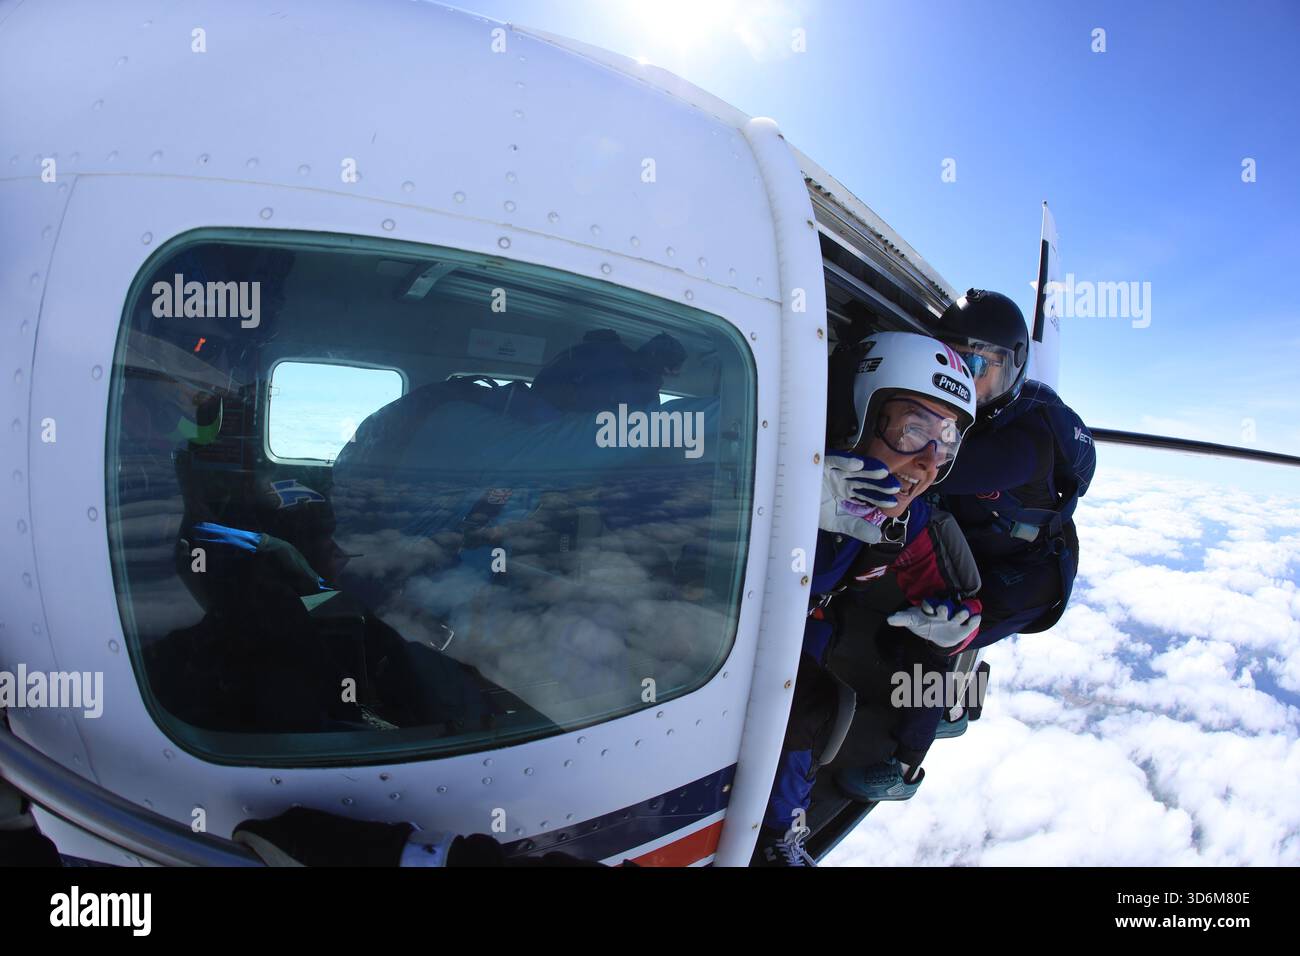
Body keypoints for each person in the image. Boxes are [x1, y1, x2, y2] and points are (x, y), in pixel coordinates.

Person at [836, 289, 1094, 802]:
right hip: (989, 548)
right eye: (953, 359)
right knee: (909, 639)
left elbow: (916, 466)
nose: (965, 381)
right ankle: (963, 696)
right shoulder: (978, 423)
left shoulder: (1022, 446)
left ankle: (905, 767)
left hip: (1030, 575)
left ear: (1013, 372)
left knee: (930, 646)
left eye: (982, 365)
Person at [754, 331, 983, 866]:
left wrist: (959, 627)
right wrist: (780, 495)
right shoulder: (764, 454)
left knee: (817, 702)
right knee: (814, 703)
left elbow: (953, 597)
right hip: (711, 616)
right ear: (855, 414)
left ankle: (781, 834)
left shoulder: (908, 518)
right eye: (911, 428)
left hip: (803, 624)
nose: (928, 461)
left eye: (945, 440)